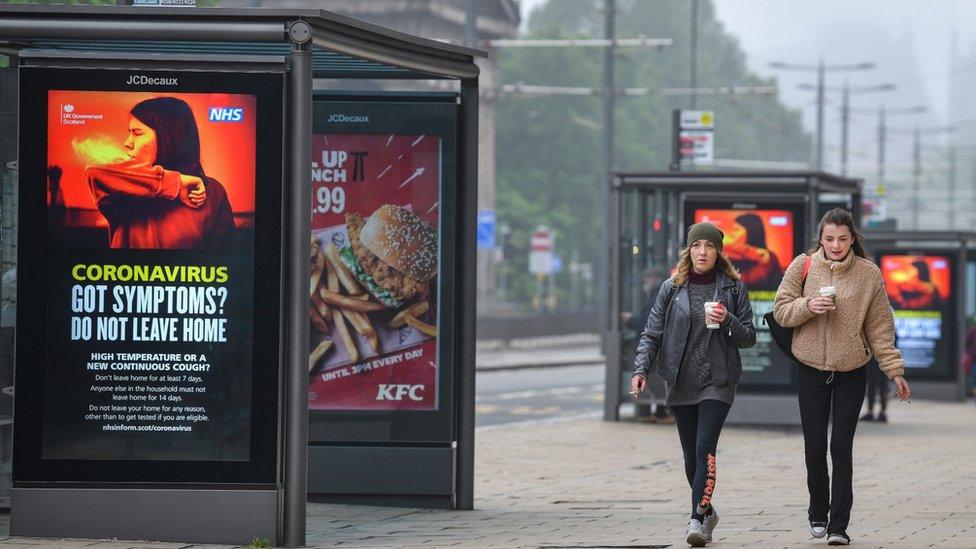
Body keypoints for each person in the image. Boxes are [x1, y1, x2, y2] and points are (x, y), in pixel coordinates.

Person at [773, 208, 911, 546]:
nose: (836, 245)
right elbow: (781, 310)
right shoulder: (802, 266)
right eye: (830, 238)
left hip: (852, 371)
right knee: (815, 446)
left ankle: (838, 525)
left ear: (853, 239)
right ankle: (817, 511)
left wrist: (894, 371)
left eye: (843, 239)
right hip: (811, 370)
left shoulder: (868, 274)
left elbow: (880, 327)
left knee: (841, 446)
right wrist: (809, 306)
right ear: (821, 238)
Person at [631, 222, 756, 547]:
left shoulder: (733, 288)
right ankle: (708, 511)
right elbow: (652, 333)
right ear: (689, 250)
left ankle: (696, 521)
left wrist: (727, 319)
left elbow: (749, 337)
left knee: (705, 450)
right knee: (690, 458)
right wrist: (641, 369)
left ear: (718, 252)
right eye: (698, 246)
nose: (703, 252)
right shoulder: (672, 288)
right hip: (681, 381)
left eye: (710, 246)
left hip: (718, 381)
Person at [86, 96, 237, 250]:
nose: (127, 142)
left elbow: (225, 260)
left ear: (168, 136)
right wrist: (178, 184)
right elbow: (94, 169)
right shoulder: (122, 187)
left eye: (137, 133)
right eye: (129, 133)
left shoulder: (213, 191)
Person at [623, 267, 673, 423]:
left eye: (649, 278)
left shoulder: (656, 297)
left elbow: (646, 324)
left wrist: (630, 319)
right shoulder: (659, 295)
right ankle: (655, 412)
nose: (646, 282)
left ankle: (652, 412)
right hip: (655, 346)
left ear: (656, 279)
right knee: (652, 380)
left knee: (649, 378)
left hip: (651, 346)